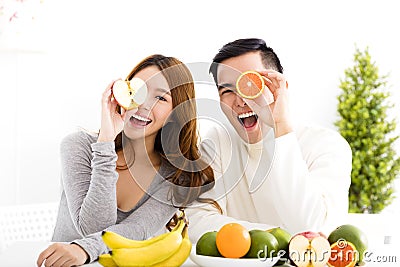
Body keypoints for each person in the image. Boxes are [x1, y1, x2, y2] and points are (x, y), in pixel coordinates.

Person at [37, 54, 216, 266]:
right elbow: (92, 227)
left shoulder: (177, 177)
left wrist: (84, 249)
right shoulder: (78, 146)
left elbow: (135, 230)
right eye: (139, 91)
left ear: (176, 113)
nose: (143, 104)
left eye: (161, 98)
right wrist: (105, 142)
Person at [186, 38, 353, 242]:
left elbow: (311, 226)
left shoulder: (326, 145)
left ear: (280, 88)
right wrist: (278, 236)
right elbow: (194, 220)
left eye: (251, 84)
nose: (240, 101)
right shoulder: (219, 141)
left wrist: (280, 125)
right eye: (227, 91)